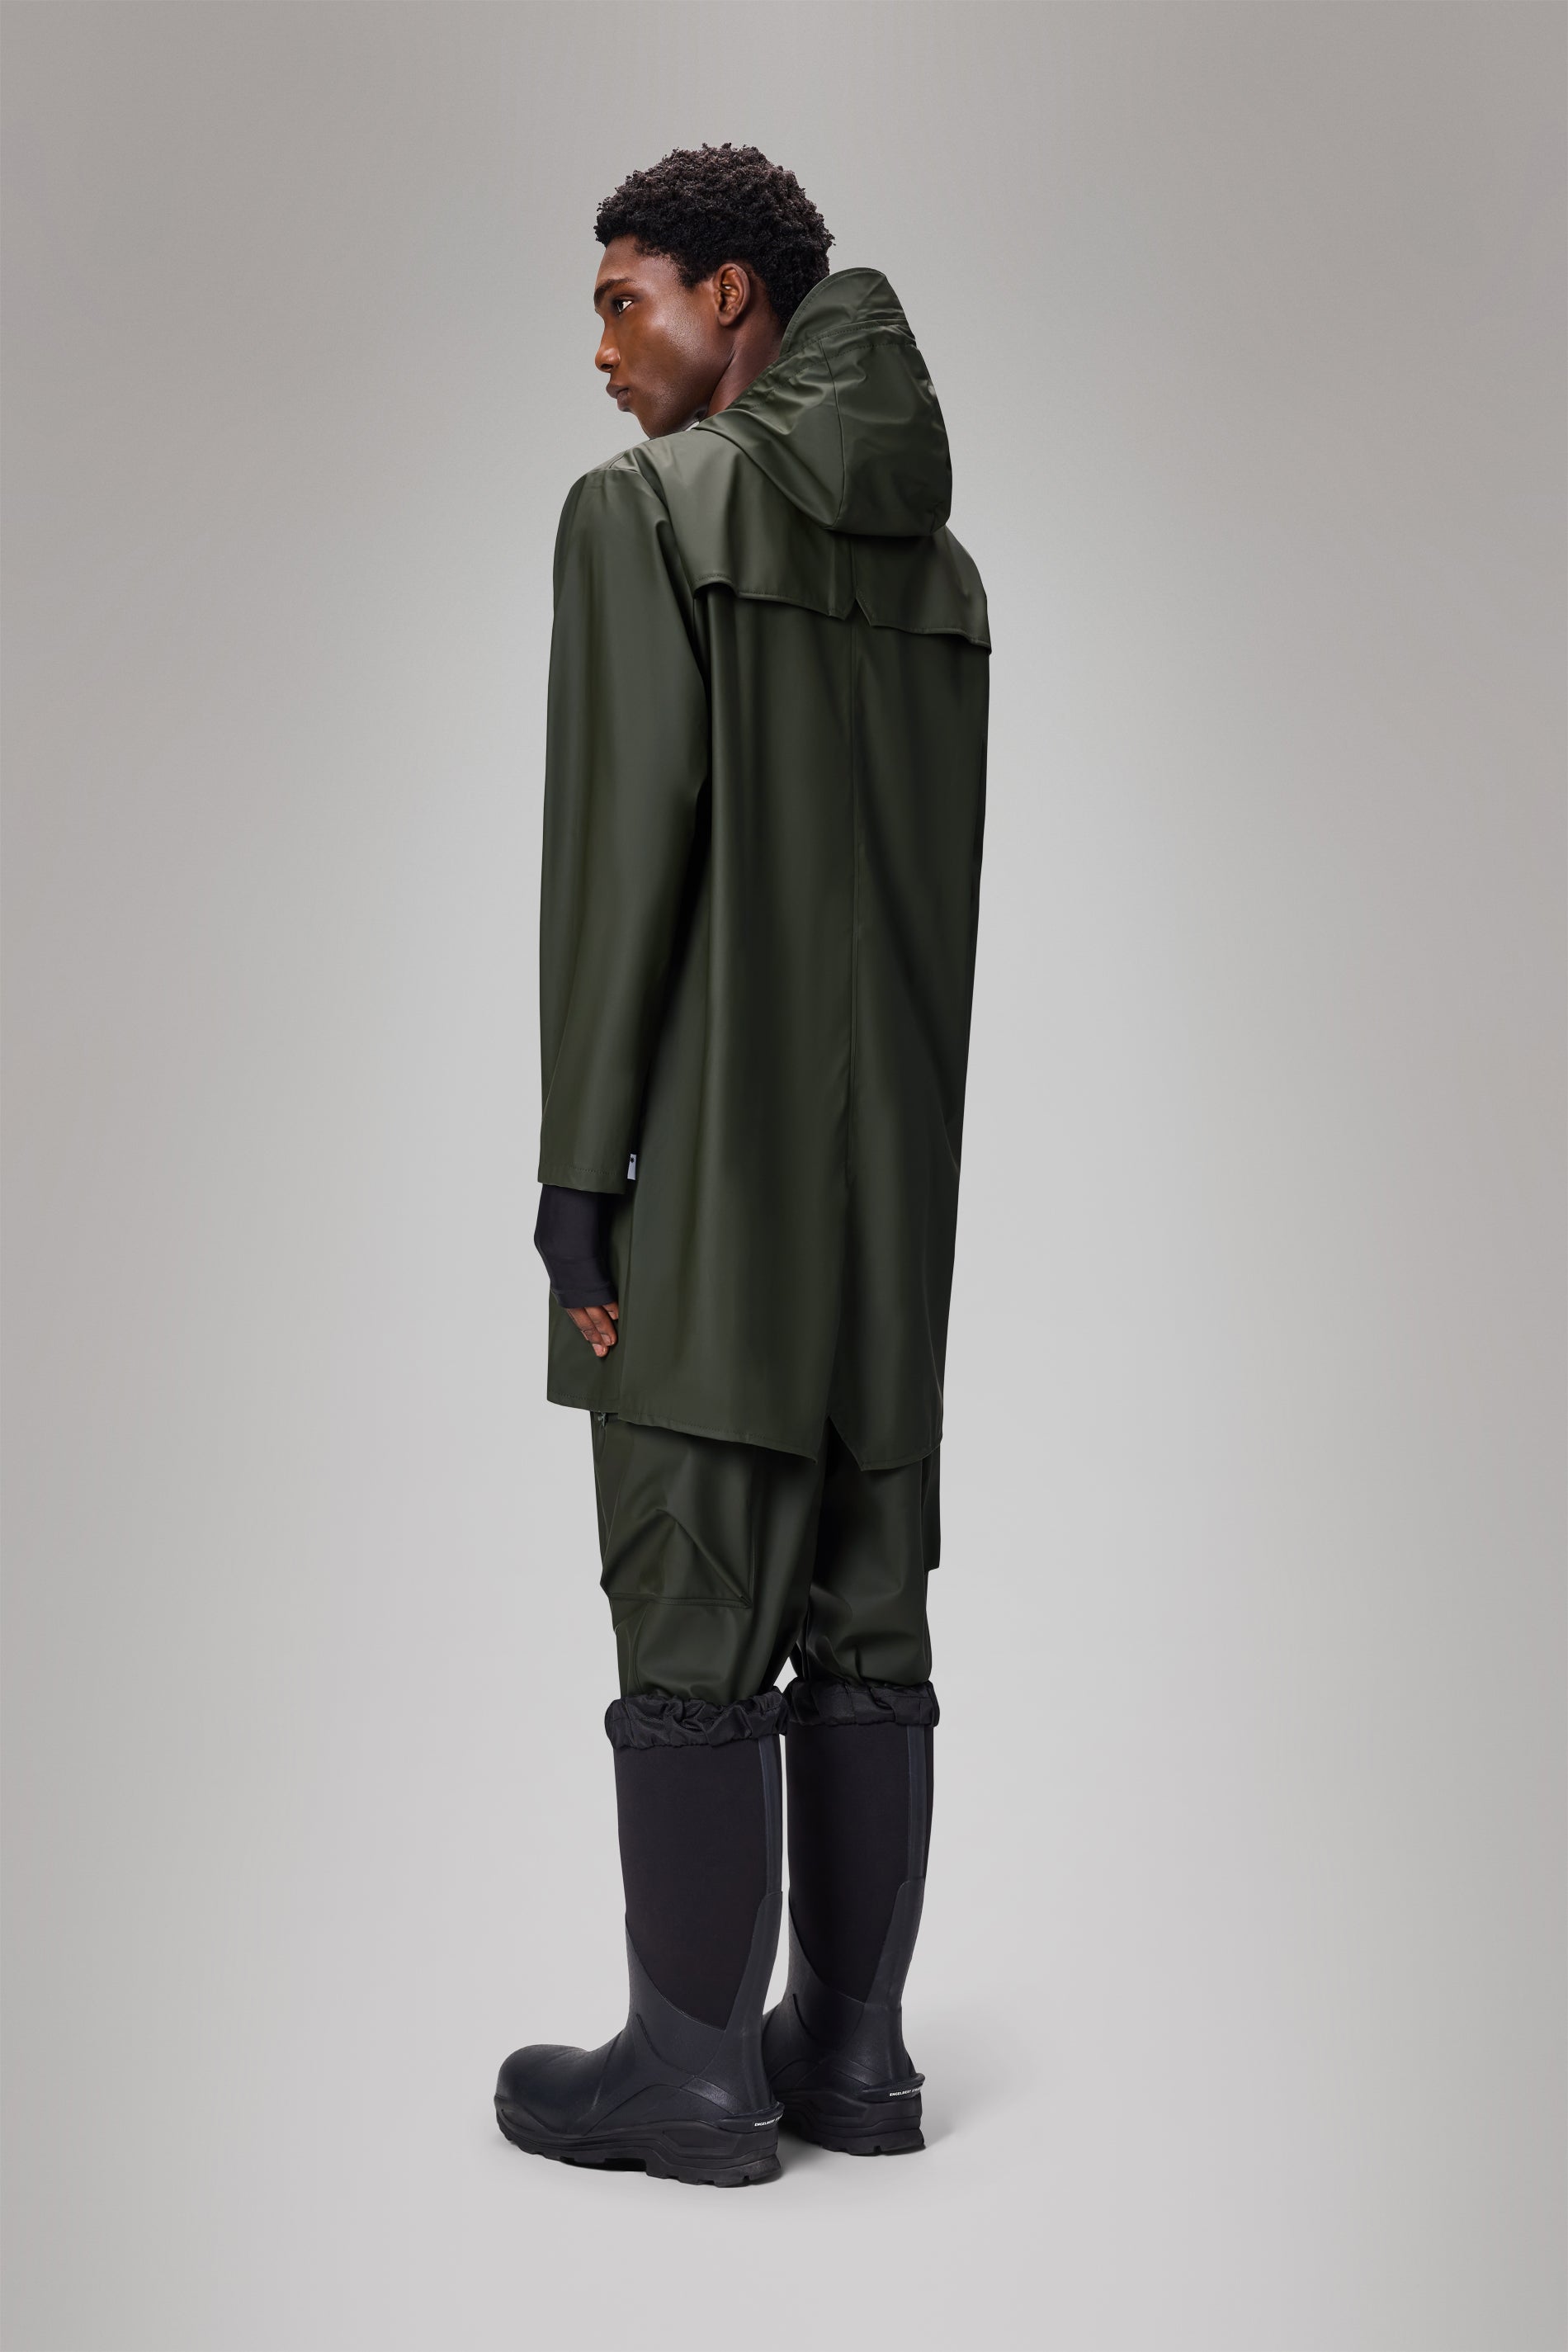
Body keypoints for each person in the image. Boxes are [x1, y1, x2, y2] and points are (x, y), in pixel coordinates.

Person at [494, 144, 989, 2188]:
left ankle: (690, 2069)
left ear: (731, 297)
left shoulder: (643, 515)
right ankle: (852, 2057)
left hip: (710, 1173)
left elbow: (623, 864)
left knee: (691, 1588)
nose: (603, 348)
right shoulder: (942, 577)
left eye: (626, 300)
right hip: (896, 1202)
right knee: (867, 1604)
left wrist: (577, 1174)